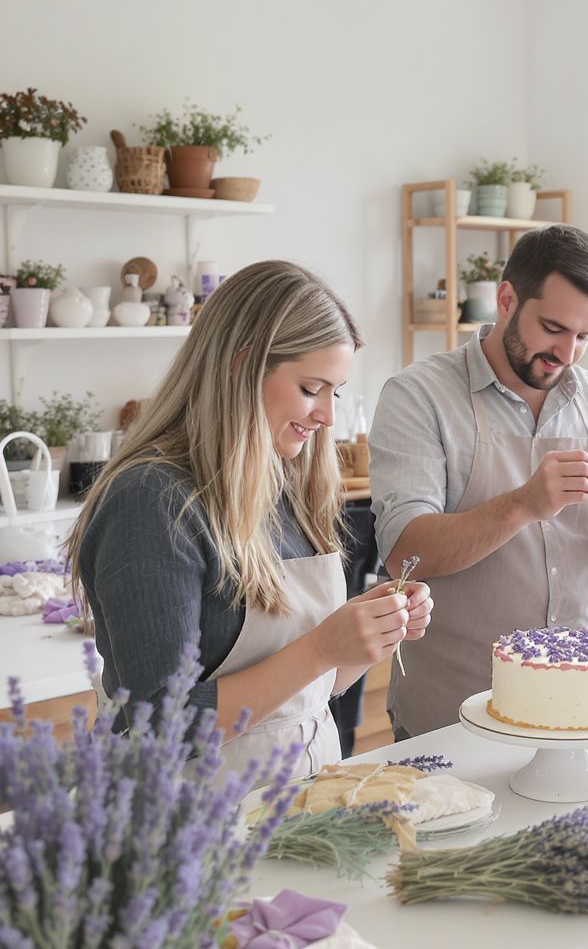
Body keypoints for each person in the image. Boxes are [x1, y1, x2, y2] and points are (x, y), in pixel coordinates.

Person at [68, 260, 432, 784]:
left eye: (335, 391)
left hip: (300, 802)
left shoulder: (286, 483)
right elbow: (161, 727)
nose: (328, 415)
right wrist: (321, 647)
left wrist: (372, 633)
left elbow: (308, 691)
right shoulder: (151, 503)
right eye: (311, 388)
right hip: (189, 817)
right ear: (242, 368)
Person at [370, 224, 588, 736]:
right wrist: (523, 504)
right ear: (506, 300)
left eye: (584, 337)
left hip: (578, 707)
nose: (566, 353)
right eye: (553, 328)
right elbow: (403, 553)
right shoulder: (419, 395)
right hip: (454, 710)